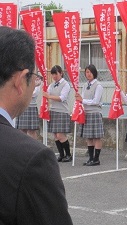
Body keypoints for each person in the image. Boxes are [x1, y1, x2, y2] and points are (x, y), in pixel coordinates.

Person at [0, 26, 72, 225]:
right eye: (33, 76)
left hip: (60, 110)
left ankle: (67, 154)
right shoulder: (33, 159)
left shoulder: (64, 85)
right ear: (21, 80)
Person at [75, 64, 104, 166]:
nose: (88, 74)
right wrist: (79, 99)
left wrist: (82, 100)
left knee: (96, 137)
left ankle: (96, 159)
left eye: (90, 72)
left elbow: (96, 101)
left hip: (95, 113)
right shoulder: (85, 85)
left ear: (94, 73)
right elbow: (82, 99)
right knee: (88, 137)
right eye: (87, 72)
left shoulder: (98, 85)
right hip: (86, 113)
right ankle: (91, 158)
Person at [43, 65, 72, 162]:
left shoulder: (65, 84)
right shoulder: (52, 85)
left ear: (61, 73)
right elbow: (46, 94)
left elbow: (62, 98)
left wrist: (49, 96)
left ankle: (68, 154)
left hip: (62, 111)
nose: (54, 76)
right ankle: (61, 155)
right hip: (53, 111)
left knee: (60, 135)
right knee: (55, 135)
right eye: (53, 74)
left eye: (56, 74)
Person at [15, 75, 43, 139]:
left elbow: (34, 93)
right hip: (22, 106)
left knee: (32, 130)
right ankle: (22, 146)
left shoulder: (38, 82)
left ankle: (34, 147)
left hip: (31, 107)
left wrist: (27, 89)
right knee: (22, 130)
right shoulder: (26, 81)